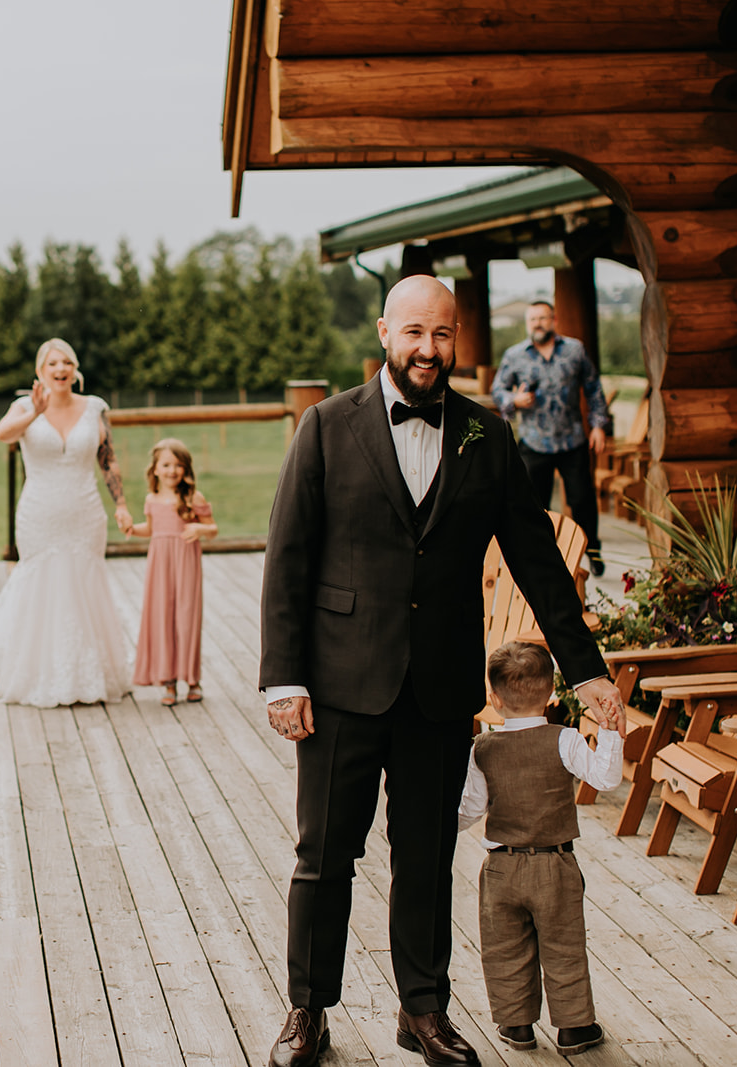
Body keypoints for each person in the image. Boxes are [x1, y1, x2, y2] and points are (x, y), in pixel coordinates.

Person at [259, 275, 623, 1067]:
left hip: (440, 687)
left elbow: (537, 559)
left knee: (425, 855)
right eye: (415, 332)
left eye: (443, 334)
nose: (429, 349)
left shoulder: (487, 434)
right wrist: (284, 678)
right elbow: (288, 557)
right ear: (385, 331)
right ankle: (307, 1009)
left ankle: (423, 1009)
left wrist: (585, 669)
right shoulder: (326, 426)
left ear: (458, 338)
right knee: (324, 856)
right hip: (339, 683)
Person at [0, 338, 135, 707]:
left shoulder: (94, 407)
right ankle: (38, 671)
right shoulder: (23, 407)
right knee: (40, 582)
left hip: (85, 511)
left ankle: (87, 671)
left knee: (85, 582)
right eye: (53, 364)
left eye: (67, 363)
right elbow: (4, 434)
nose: (61, 369)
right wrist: (35, 412)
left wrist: (122, 505)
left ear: (75, 370)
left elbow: (107, 458)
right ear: (40, 371)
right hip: (40, 512)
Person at [459, 642, 622, 1056]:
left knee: (504, 948)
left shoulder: (482, 748)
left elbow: (470, 810)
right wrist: (608, 732)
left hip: (501, 868)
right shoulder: (564, 740)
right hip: (555, 864)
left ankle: (516, 1025)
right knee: (564, 947)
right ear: (551, 693)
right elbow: (605, 779)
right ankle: (574, 1027)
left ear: (494, 699)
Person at [490, 300, 612, 575]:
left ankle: (592, 552)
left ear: (554, 320)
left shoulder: (575, 350)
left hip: (572, 440)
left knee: (582, 501)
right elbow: (498, 390)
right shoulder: (514, 355)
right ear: (527, 323)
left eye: (543, 318)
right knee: (534, 506)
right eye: (533, 319)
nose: (538, 324)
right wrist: (514, 400)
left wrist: (598, 425)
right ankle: (540, 559)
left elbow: (593, 388)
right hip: (534, 442)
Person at [128, 438, 218, 707]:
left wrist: (199, 529)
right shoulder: (151, 499)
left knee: (187, 617)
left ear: (186, 469)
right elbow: (151, 529)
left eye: (178, 465)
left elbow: (212, 529)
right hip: (160, 564)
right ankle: (168, 680)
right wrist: (131, 528)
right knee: (162, 616)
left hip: (186, 561)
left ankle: (191, 679)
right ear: (155, 469)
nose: (172, 470)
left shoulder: (193, 497)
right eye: (166, 465)